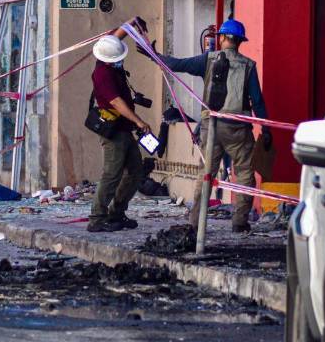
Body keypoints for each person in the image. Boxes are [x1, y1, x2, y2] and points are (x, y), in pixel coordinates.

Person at [157, 18, 270, 233]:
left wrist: (155, 55)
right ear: (239, 40)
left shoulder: (208, 60)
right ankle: (239, 222)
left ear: (225, 38)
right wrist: (266, 129)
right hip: (238, 128)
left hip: (211, 127)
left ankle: (195, 223)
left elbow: (176, 64)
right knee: (245, 173)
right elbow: (258, 101)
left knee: (206, 174)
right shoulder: (248, 66)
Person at [87, 33, 149, 233]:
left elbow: (114, 39)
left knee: (135, 171)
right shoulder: (103, 74)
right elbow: (116, 102)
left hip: (124, 129)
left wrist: (130, 25)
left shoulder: (109, 62)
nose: (120, 61)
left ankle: (117, 212)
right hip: (114, 131)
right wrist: (138, 121)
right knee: (111, 174)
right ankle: (97, 218)